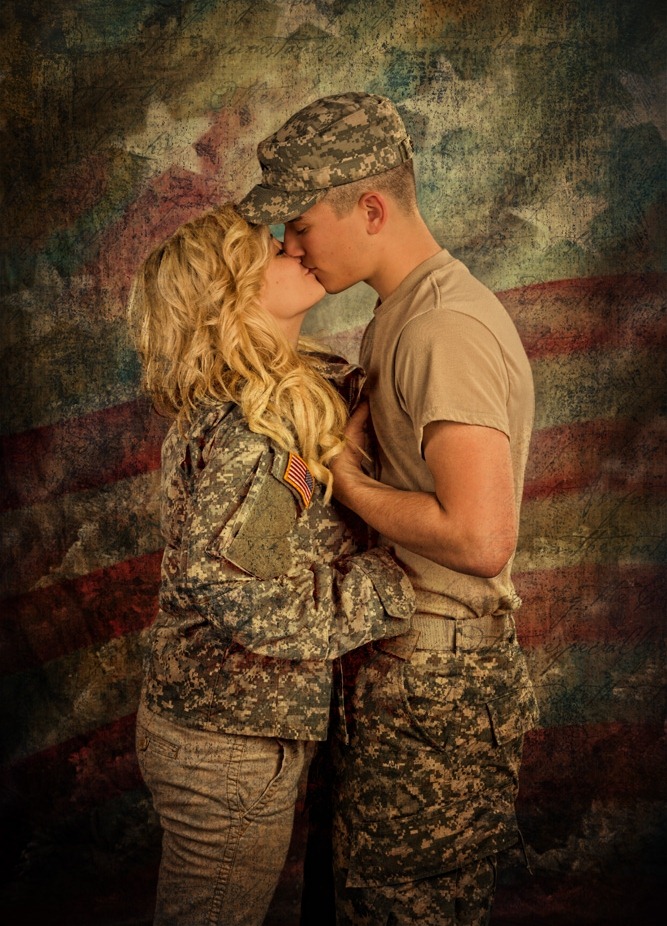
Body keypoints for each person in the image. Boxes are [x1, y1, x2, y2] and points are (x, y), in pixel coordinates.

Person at [237, 92, 540, 925]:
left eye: (300, 224)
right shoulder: (400, 313)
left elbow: (479, 538)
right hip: (403, 669)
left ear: (370, 210)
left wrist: (345, 479)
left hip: (435, 682)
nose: (289, 245)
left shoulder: (443, 327)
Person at [127, 203, 416, 926]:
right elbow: (237, 592)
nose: (292, 246)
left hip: (222, 728)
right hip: (227, 742)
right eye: (268, 252)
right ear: (230, 298)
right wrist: (385, 585)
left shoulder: (278, 396)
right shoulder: (257, 432)